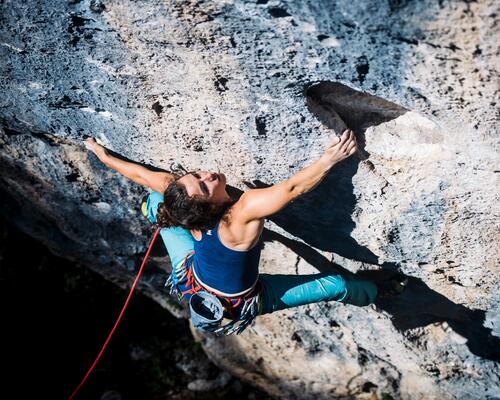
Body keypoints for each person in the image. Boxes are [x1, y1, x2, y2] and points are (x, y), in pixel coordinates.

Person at [84, 130, 384, 335]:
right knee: (339, 284)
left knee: (154, 199)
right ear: (203, 208)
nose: (208, 175)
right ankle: (381, 292)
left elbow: (139, 174)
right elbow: (291, 188)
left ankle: (153, 212)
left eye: (196, 176)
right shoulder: (240, 216)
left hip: (190, 276)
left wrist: (100, 153)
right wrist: (329, 159)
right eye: (204, 186)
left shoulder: (183, 198)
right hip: (241, 301)